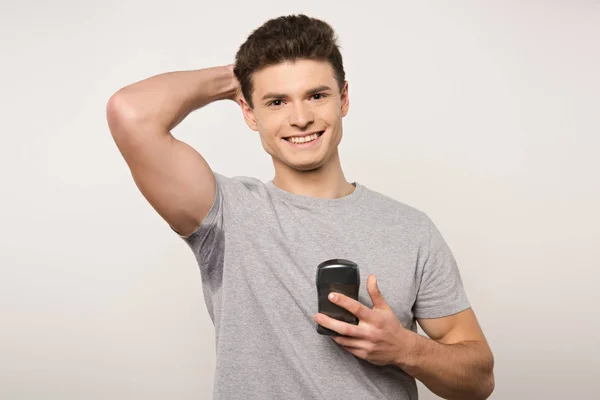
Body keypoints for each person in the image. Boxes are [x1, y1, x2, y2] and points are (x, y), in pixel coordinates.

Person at [106, 14, 495, 400]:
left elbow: (479, 381)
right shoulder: (226, 213)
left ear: (343, 99)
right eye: (276, 101)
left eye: (316, 95)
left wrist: (407, 349)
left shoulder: (411, 229)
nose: (301, 118)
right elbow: (130, 112)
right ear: (248, 112)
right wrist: (239, 75)